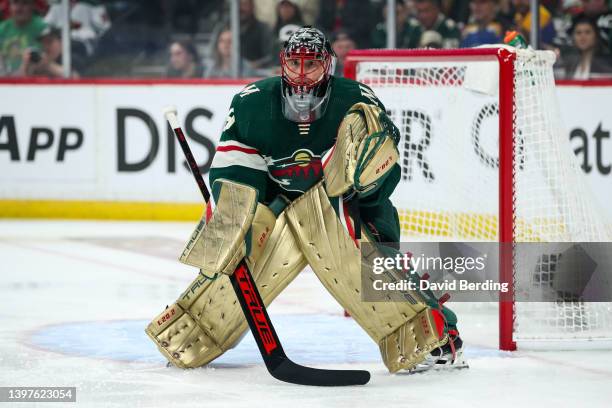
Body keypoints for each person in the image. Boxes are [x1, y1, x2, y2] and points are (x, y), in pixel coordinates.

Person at [147, 26, 465, 374]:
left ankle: (436, 338)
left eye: (311, 64)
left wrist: (369, 183)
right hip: (276, 203)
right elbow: (236, 174)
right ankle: (198, 331)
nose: (301, 74)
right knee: (238, 253)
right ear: (282, 62)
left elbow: (382, 180)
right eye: (294, 63)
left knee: (366, 261)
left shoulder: (357, 102)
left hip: (346, 202)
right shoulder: (252, 102)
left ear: (327, 65)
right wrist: (237, 221)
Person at [0, 0, 46, 75]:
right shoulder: (2, 29)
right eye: (15, 2)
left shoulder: (42, 28)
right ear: (9, 6)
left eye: (25, 3)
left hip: (32, 81)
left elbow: (45, 62)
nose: (19, 8)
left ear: (33, 6)